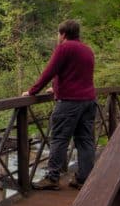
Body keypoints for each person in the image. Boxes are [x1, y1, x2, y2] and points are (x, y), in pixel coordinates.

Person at [22, 20, 96, 191]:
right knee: (85, 140)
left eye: (58, 34)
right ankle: (84, 178)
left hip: (70, 102)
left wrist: (32, 91)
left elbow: (50, 71)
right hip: (89, 100)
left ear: (62, 34)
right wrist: (55, 87)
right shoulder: (87, 50)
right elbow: (78, 74)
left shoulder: (64, 48)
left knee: (59, 139)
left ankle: (52, 177)